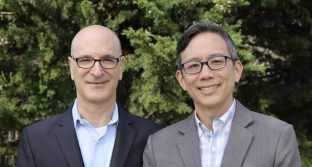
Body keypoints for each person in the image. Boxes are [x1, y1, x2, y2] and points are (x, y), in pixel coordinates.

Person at [143, 21, 301, 167]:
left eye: (217, 61)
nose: (206, 74)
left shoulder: (277, 137)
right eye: (193, 65)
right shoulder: (158, 147)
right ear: (181, 79)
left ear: (237, 70)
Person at [16, 25, 160, 167]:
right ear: (71, 67)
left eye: (107, 60)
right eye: (85, 60)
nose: (97, 72)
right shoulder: (36, 140)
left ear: (121, 66)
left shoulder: (152, 137)